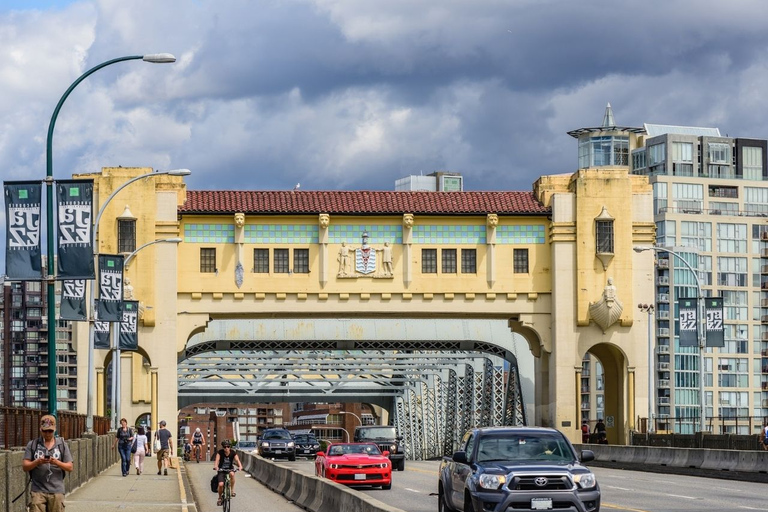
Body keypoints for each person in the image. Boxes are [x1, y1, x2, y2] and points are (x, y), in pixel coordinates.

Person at [22, 415, 73, 512]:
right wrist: (37, 462)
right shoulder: (33, 444)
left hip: (56, 491)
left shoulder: (62, 445)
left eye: (50, 431)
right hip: (38, 490)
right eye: (45, 431)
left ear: (55, 429)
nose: (48, 434)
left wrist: (56, 462)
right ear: (40, 429)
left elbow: (70, 467)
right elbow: (25, 466)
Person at [214, 440, 243, 506]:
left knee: (232, 474)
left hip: (230, 469)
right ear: (223, 447)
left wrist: (240, 466)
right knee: (221, 484)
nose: (226, 448)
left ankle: (232, 490)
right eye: (225, 447)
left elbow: (237, 460)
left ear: (230, 447)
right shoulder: (220, 452)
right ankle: (219, 498)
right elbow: (217, 460)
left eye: (228, 446)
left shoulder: (233, 453)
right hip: (221, 470)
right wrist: (216, 466)